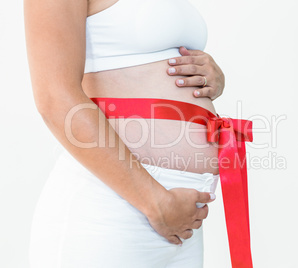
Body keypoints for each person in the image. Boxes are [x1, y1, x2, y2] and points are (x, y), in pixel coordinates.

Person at [24, 0, 253, 267]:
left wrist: (211, 76)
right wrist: (155, 201)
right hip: (110, 207)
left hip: (182, 219)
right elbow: (55, 99)